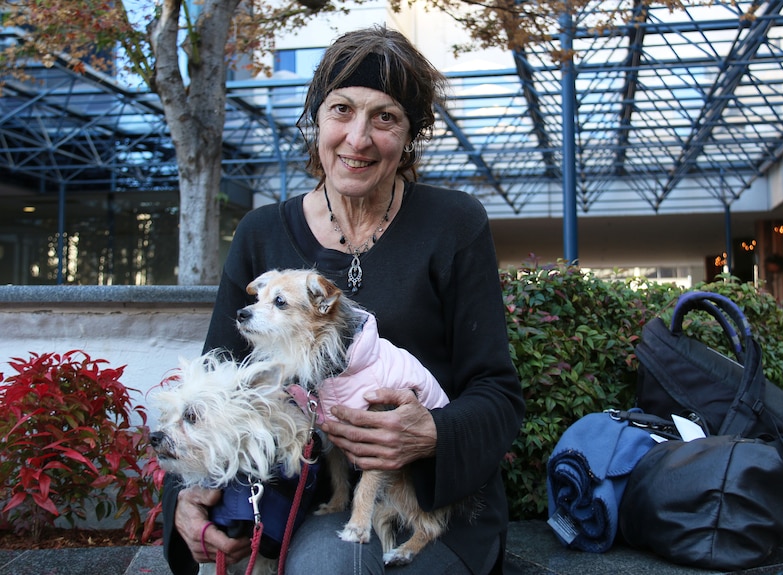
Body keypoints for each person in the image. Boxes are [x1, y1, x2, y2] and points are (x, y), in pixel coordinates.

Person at [160, 24, 525, 575]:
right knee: (332, 563)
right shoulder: (261, 234)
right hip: (307, 503)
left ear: (409, 136)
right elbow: (218, 384)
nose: (358, 138)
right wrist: (188, 493)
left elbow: (498, 393)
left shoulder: (455, 225)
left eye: (385, 117)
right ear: (316, 119)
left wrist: (431, 433)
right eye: (341, 110)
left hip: (431, 501)